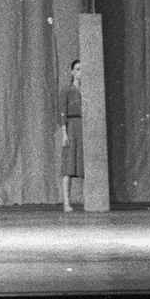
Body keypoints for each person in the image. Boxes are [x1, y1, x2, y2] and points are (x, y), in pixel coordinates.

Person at [60, 59, 83, 213]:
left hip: (84, 129)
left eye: (82, 69)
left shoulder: (88, 90)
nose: (80, 72)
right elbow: (62, 113)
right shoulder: (67, 91)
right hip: (71, 128)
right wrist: (64, 133)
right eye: (77, 69)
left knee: (84, 166)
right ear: (72, 72)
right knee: (68, 167)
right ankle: (66, 203)